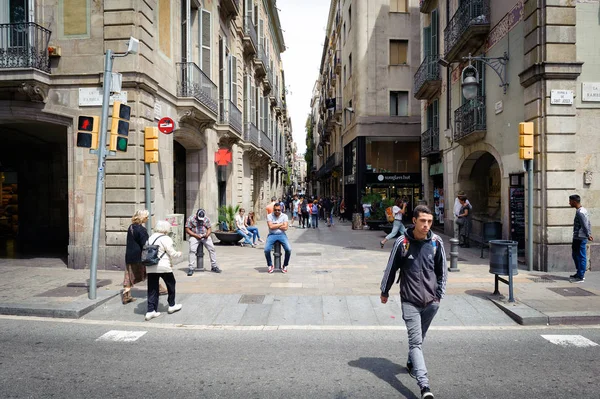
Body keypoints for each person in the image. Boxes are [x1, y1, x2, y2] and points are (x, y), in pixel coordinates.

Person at [380, 205, 447, 399]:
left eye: (429, 221)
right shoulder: (402, 242)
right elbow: (390, 268)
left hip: (431, 302)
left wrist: (439, 295)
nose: (427, 225)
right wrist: (384, 291)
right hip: (410, 300)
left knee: (419, 338)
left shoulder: (436, 242)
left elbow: (442, 272)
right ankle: (424, 386)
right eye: (423, 221)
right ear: (414, 221)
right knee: (416, 342)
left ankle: (411, 362)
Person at [123, 209, 167, 304]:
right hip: (140, 256)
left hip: (130, 255)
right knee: (151, 272)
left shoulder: (131, 227)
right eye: (146, 217)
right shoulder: (141, 230)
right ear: (142, 218)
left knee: (129, 275)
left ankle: (126, 295)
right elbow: (145, 244)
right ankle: (159, 289)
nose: (147, 219)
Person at [145, 220, 183, 321]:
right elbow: (172, 253)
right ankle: (172, 305)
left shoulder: (151, 237)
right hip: (163, 266)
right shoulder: (166, 238)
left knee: (152, 288)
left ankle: (150, 311)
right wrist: (179, 253)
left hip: (151, 266)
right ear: (166, 228)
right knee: (171, 284)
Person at [185, 208, 222, 276]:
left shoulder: (206, 219)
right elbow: (187, 229)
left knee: (212, 249)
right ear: (196, 214)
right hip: (194, 235)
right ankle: (191, 268)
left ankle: (214, 266)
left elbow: (209, 228)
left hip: (204, 235)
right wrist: (195, 235)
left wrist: (207, 234)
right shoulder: (191, 219)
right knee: (192, 250)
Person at [569, 194, 593, 283]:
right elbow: (588, 222)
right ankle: (579, 272)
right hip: (578, 237)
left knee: (580, 256)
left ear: (575, 202)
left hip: (580, 237)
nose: (569, 203)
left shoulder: (580, 212)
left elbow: (584, 224)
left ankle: (581, 276)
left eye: (570, 201)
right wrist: (588, 233)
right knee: (575, 255)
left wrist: (588, 234)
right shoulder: (583, 210)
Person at [264, 203, 292, 274]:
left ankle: (285, 265)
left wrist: (275, 225)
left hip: (282, 235)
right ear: (273, 209)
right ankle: (270, 265)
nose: (277, 211)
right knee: (266, 250)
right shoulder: (269, 216)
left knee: (288, 249)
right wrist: (281, 224)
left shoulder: (285, 216)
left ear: (281, 209)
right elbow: (270, 227)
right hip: (272, 235)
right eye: (275, 210)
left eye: (278, 210)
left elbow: (285, 228)